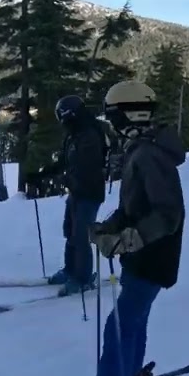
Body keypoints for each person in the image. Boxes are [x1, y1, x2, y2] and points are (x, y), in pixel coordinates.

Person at [65, 79, 186, 376]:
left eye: (114, 116)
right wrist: (108, 227)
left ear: (132, 113)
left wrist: (131, 238)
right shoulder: (141, 148)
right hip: (145, 254)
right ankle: (126, 375)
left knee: (119, 323)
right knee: (132, 319)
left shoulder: (149, 155)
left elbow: (168, 213)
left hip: (153, 254)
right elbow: (133, 207)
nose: (112, 123)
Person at [25, 95, 110, 297]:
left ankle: (82, 278)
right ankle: (70, 270)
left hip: (89, 192)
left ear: (69, 115)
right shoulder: (74, 134)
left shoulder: (89, 135)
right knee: (70, 231)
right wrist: (41, 175)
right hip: (76, 191)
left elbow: (86, 168)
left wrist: (67, 181)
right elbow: (64, 162)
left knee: (81, 235)